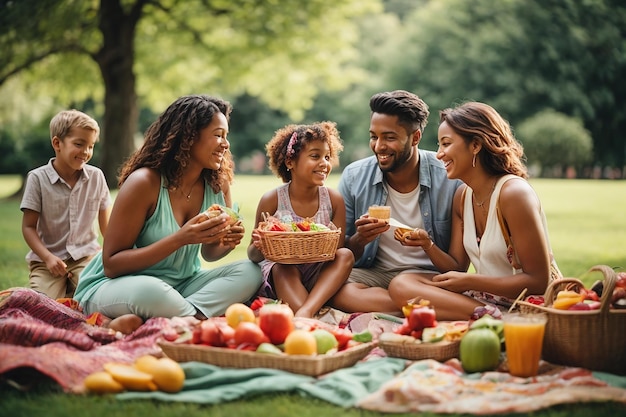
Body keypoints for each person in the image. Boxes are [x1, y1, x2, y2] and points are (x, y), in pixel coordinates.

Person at [73, 94, 263, 330]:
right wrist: (181, 238)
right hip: (119, 285)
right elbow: (112, 264)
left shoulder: (217, 183)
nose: (226, 144)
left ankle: (163, 319)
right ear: (189, 137)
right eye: (217, 135)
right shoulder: (144, 183)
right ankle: (195, 323)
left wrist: (227, 241)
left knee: (250, 271)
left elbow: (209, 254)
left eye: (226, 136)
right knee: (150, 290)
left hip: (181, 285)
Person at [388, 101, 554, 320]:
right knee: (402, 284)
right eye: (439, 145)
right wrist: (427, 244)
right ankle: (489, 317)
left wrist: (470, 281)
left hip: (529, 303)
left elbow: (538, 281)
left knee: (409, 293)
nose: (439, 154)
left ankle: (490, 318)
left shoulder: (513, 194)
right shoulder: (463, 196)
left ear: (476, 145)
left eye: (446, 144)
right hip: (489, 298)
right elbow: (457, 266)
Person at [331, 90, 462, 314]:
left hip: (428, 278)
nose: (379, 146)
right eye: (374, 136)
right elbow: (340, 252)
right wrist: (360, 239)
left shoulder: (450, 179)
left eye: (389, 137)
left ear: (415, 138)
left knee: (404, 287)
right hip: (375, 273)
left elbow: (457, 267)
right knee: (333, 286)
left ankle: (416, 303)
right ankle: (425, 308)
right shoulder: (354, 176)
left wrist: (427, 244)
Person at [248, 122, 354, 318]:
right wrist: (259, 244)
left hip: (318, 275)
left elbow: (336, 251)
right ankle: (309, 313)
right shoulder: (272, 200)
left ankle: (306, 311)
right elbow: (253, 256)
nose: (324, 163)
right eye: (315, 156)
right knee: (282, 267)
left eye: (327, 157)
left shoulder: (333, 200)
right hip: (284, 275)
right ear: (290, 162)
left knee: (346, 255)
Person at [20, 109, 111, 300]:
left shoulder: (97, 177)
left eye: (91, 146)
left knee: (98, 300)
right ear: (57, 143)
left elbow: (107, 227)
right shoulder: (37, 178)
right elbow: (28, 227)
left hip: (86, 258)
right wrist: (48, 258)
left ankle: (72, 292)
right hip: (47, 261)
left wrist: (113, 254)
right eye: (79, 144)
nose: (86, 152)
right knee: (42, 305)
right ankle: (65, 292)